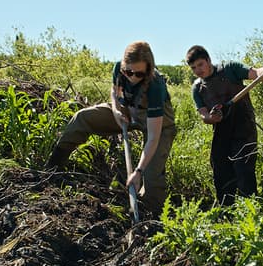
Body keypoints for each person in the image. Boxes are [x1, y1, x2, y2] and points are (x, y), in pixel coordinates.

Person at [49, 41, 177, 218]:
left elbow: (154, 137)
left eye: (138, 74)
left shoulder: (155, 85)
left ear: (148, 70)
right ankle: (51, 171)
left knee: (151, 178)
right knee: (83, 118)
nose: (132, 77)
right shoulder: (119, 68)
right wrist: (116, 110)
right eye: (128, 72)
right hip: (127, 111)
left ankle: (150, 220)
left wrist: (138, 171)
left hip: (158, 122)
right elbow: (114, 90)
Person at [186, 45, 263, 207]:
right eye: (193, 68)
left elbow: (256, 73)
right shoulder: (197, 88)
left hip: (244, 125)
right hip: (221, 130)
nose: (197, 70)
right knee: (221, 170)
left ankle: (252, 210)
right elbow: (203, 114)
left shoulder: (230, 69)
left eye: (200, 65)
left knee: (243, 168)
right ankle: (227, 211)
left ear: (208, 60)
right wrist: (212, 117)